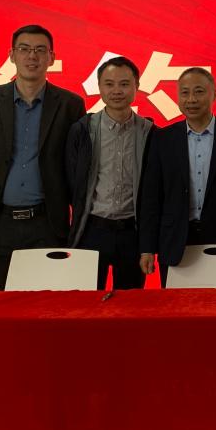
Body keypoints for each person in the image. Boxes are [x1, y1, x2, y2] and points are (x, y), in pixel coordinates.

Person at [0, 25, 85, 290]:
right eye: (24, 49)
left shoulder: (70, 104)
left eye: (40, 50)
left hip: (47, 223)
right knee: (1, 303)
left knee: (47, 304)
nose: (32, 56)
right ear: (12, 55)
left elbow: (75, 164)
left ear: (51, 58)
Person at [65, 56, 154, 290]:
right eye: (109, 84)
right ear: (99, 87)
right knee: (87, 303)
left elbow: (153, 193)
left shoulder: (149, 133)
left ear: (137, 86)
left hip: (132, 234)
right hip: (92, 231)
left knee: (130, 304)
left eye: (124, 84)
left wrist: (147, 245)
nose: (117, 91)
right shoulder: (82, 130)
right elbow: (72, 182)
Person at [139, 67, 216, 285]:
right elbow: (151, 197)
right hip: (174, 240)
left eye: (199, 91)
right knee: (176, 304)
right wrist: (147, 248)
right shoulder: (163, 139)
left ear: (214, 94)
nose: (191, 99)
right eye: (185, 93)